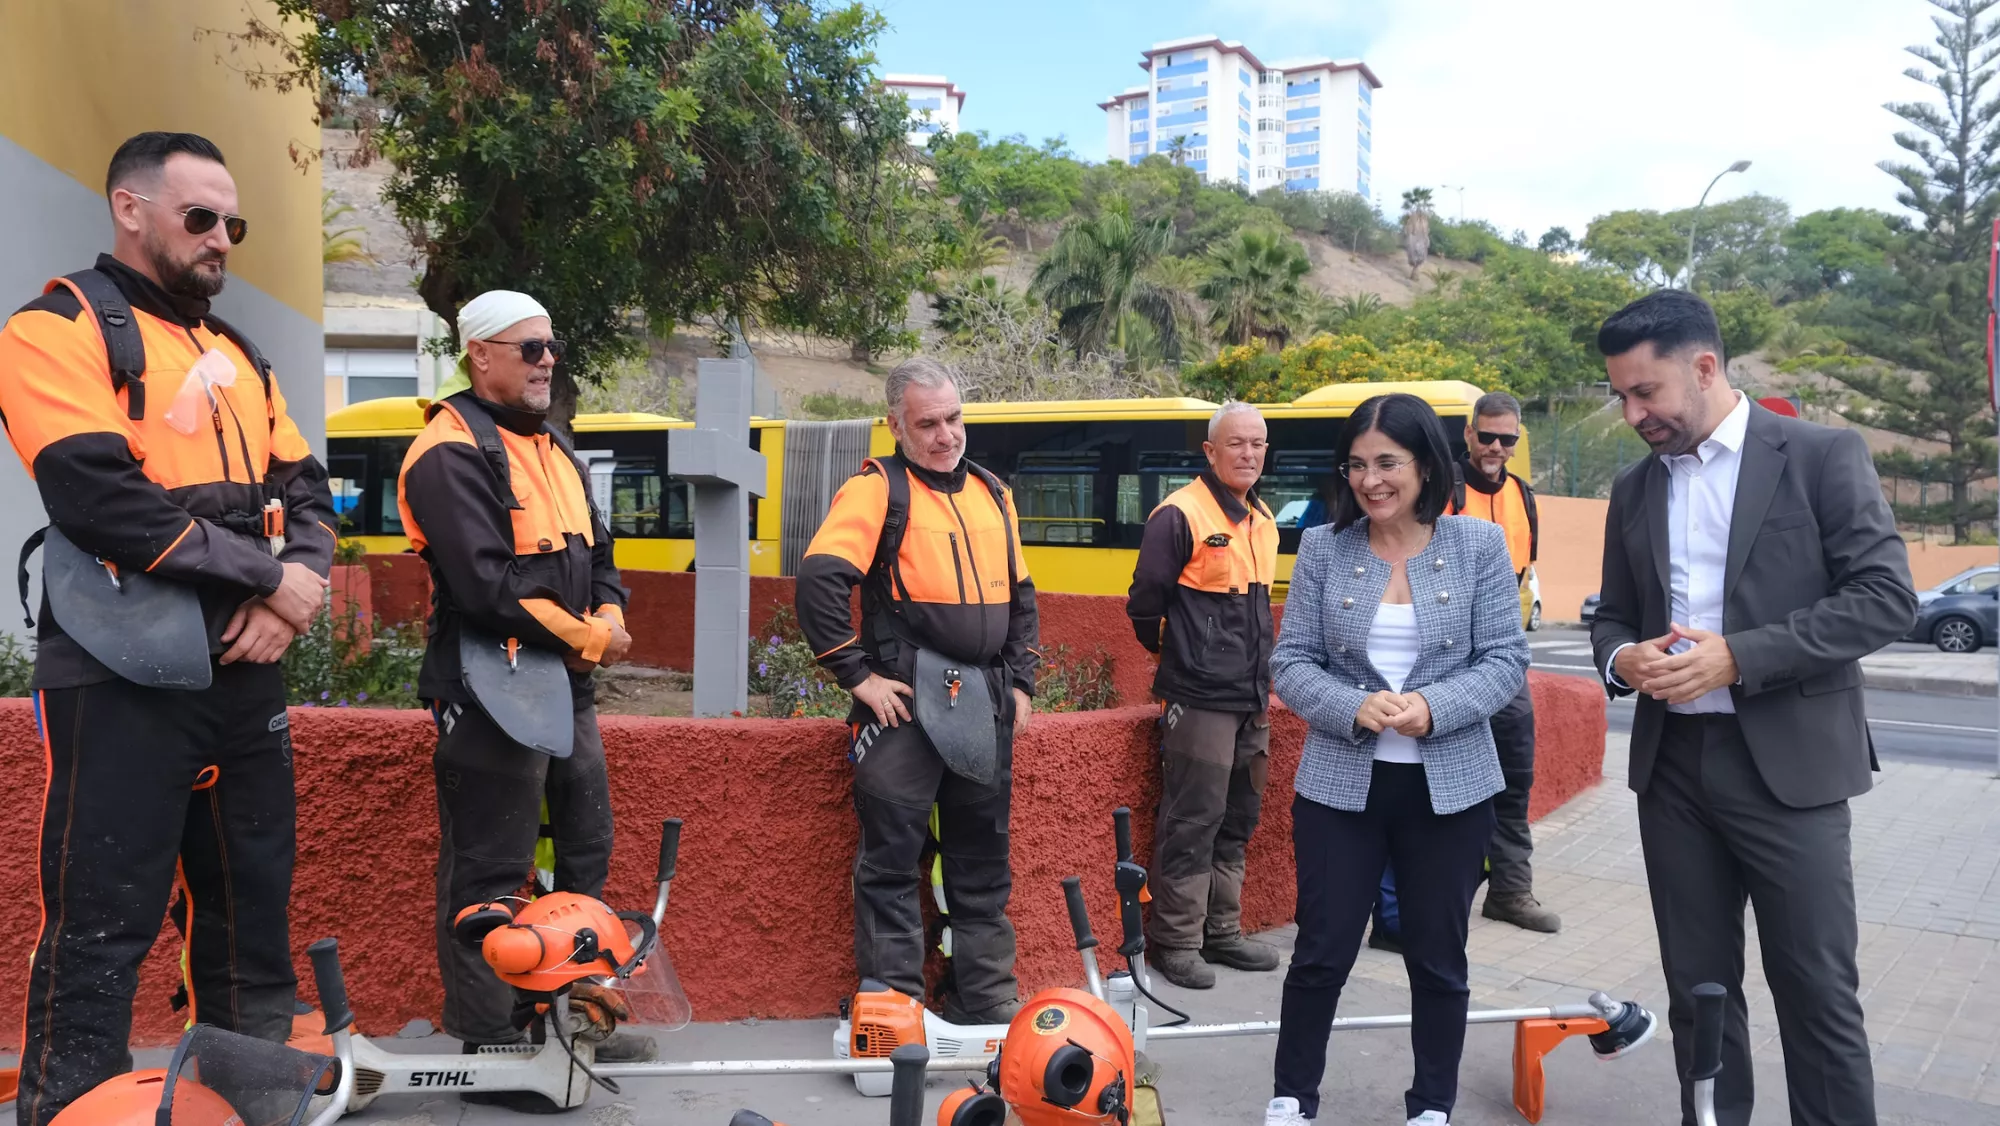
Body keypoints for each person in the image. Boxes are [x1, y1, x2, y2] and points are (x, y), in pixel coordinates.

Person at [0, 131, 336, 1126]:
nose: (222, 238)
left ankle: (250, 1100)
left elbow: (305, 489)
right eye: (200, 218)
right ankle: (68, 1105)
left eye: (234, 223)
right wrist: (269, 578)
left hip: (243, 671)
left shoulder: (238, 352)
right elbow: (98, 496)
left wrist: (295, 588)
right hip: (117, 670)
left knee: (250, 908)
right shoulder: (54, 327)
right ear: (130, 209)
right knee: (102, 913)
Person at [1590, 290, 1916, 1126]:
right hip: (1673, 777)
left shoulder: (1819, 455)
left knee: (1817, 996)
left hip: (1791, 775)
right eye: (1621, 395)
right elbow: (1615, 616)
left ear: (1704, 368)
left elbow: (1884, 598)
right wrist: (1621, 660)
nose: (1632, 413)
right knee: (1700, 997)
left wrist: (1740, 657)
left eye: (1646, 392)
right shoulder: (1633, 490)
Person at [397, 289, 649, 1108]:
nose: (548, 361)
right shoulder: (446, 450)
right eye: (530, 347)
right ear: (481, 354)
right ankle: (494, 1044)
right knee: (490, 872)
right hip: (486, 682)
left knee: (588, 845)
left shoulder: (557, 448)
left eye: (552, 346)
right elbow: (484, 587)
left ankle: (572, 1015)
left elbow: (600, 553)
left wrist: (608, 613)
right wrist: (589, 636)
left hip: (563, 684)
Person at [1264, 393, 1529, 1126]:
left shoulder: (1477, 546)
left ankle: (1431, 1106)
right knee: (1321, 951)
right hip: (1340, 787)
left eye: (1387, 463)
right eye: (1356, 464)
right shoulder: (1324, 547)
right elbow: (1291, 663)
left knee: (1438, 955)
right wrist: (1350, 706)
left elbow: (1506, 659)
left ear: (1426, 465)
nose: (1370, 480)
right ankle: (1291, 1098)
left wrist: (1434, 708)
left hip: (1450, 789)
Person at [796, 357, 1040, 1025]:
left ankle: (985, 1001)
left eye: (953, 418)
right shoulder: (878, 489)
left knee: (982, 864)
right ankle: (894, 1007)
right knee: (891, 865)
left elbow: (1022, 596)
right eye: (927, 423)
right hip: (904, 704)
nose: (945, 435)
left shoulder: (992, 490)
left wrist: (1021, 679)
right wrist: (858, 677)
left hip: (983, 701)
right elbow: (819, 581)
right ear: (896, 426)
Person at [1125, 401, 1281, 990]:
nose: (1248, 454)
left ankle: (1222, 930)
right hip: (1200, 697)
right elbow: (1144, 607)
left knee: (1238, 816)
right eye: (1235, 444)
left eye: (1258, 444)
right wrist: (1186, 659)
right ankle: (1177, 940)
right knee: (1193, 818)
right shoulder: (1179, 514)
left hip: (1252, 696)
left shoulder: (1261, 518)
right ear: (1210, 452)